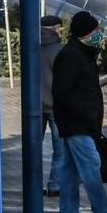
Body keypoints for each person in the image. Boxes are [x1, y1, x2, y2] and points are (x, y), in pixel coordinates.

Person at [51, 10, 107, 213]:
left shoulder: (81, 52)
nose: (98, 35)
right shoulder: (72, 55)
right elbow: (62, 91)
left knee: (70, 170)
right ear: (84, 33)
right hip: (77, 123)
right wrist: (83, 114)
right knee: (91, 165)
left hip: (78, 121)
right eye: (95, 31)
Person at [37, 14, 67, 197]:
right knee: (61, 150)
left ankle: (33, 185)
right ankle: (55, 185)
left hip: (34, 107)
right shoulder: (61, 50)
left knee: (34, 148)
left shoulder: (31, 48)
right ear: (55, 29)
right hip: (57, 106)